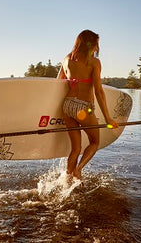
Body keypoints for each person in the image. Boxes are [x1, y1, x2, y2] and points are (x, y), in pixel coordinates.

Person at [57, 29, 118, 181]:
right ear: (91, 45)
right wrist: (108, 119)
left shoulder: (67, 59)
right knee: (94, 142)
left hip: (67, 106)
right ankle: (78, 170)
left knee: (76, 149)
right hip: (83, 108)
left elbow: (58, 82)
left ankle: (67, 180)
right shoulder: (94, 62)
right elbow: (98, 91)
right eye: (96, 45)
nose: (97, 48)